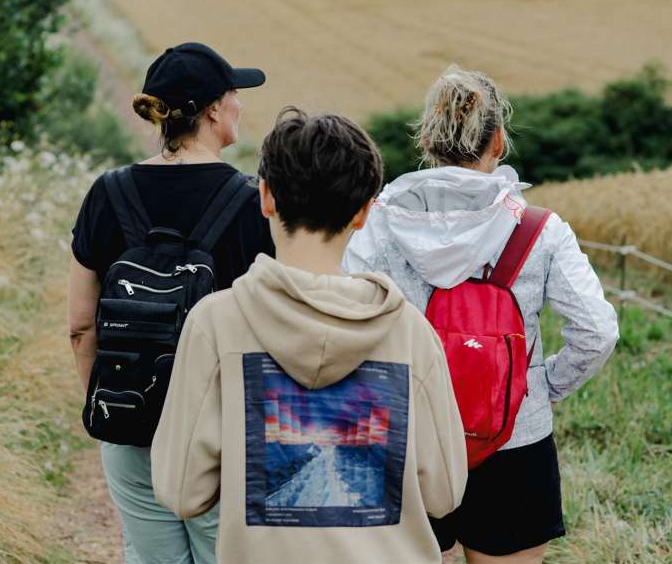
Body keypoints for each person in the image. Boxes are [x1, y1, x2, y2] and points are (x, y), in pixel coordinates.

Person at [151, 107, 468, 563]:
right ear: (364, 212)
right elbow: (445, 492)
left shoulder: (215, 325)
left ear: (265, 197)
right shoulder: (412, 333)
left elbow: (181, 490)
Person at [342, 64, 619, 564]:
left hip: (412, 445)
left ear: (426, 137)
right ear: (498, 141)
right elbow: (597, 332)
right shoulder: (541, 230)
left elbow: (348, 325)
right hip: (516, 442)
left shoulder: (377, 224)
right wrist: (540, 387)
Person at [68, 42, 274, 564]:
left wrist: (114, 404)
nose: (239, 106)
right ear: (211, 110)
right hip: (222, 428)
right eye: (234, 96)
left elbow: (79, 326)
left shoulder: (106, 193)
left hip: (130, 418)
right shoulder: (253, 203)